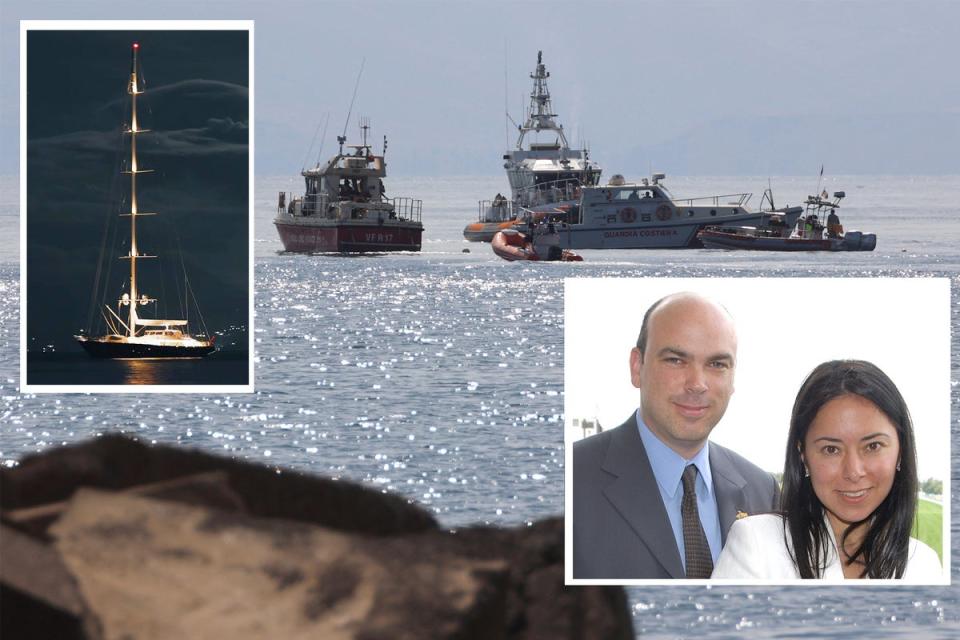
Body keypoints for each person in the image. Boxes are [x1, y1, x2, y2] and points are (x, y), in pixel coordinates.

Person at [572, 293, 780, 579]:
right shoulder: (571, 480)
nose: (697, 384)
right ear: (637, 367)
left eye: (717, 364)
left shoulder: (762, 493)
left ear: (733, 377)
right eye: (675, 360)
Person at [712, 360, 941, 581]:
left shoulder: (924, 565)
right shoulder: (757, 545)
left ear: (901, 451)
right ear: (803, 455)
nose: (853, 471)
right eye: (831, 449)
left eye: (873, 446)